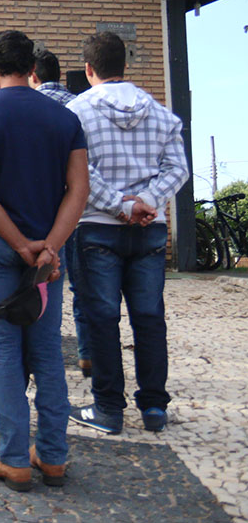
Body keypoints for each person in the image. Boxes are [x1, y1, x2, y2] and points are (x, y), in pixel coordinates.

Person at [0, 30, 89, 491]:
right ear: (33, 68)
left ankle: (13, 458)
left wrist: (17, 243)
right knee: (48, 350)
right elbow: (80, 191)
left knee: (5, 350)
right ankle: (52, 456)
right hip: (49, 253)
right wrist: (48, 247)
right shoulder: (65, 118)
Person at [67, 32, 189, 435]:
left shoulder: (78, 111)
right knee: (150, 318)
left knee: (102, 319)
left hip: (99, 227)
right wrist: (147, 202)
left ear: (89, 70)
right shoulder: (159, 112)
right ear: (125, 64)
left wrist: (121, 204)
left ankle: (108, 409)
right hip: (150, 229)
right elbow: (178, 169)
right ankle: (154, 408)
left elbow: (79, 172)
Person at [28, 48, 91, 377]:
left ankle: (36, 352)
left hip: (40, 209)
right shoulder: (78, 105)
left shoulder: (32, 106)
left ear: (33, 74)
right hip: (77, 210)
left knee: (40, 280)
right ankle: (86, 352)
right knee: (80, 285)